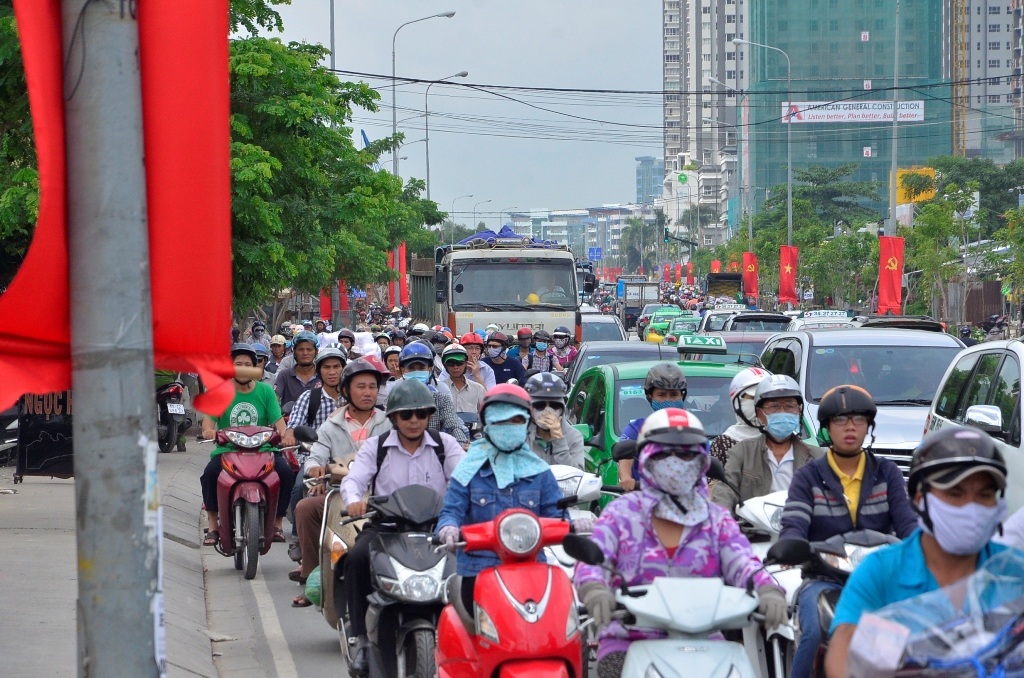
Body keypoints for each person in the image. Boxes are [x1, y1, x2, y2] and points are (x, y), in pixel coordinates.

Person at [574, 409, 787, 676]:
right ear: (646, 457)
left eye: (686, 454)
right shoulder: (621, 513)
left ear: (702, 461)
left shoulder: (716, 520)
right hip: (628, 640)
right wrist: (594, 587)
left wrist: (767, 589)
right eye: (664, 453)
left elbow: (744, 562)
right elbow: (595, 557)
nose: (676, 462)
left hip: (705, 641)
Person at [824, 426, 1012, 677]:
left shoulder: (1014, 572)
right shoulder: (882, 572)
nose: (971, 508)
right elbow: (844, 654)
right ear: (921, 499)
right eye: (955, 493)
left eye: (984, 495)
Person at [780, 384, 918, 678]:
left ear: (869, 425)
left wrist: (923, 545)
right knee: (816, 629)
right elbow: (795, 520)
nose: (850, 427)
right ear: (828, 427)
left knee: (914, 631)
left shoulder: (888, 472)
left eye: (858, 419)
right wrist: (791, 542)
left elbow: (907, 521)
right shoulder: (809, 476)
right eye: (840, 420)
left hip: (880, 577)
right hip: (824, 577)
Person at [341, 380, 465, 674]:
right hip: (386, 529)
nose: (414, 421)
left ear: (428, 416)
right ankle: (360, 639)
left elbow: (464, 481)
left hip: (437, 531)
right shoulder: (377, 446)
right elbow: (353, 479)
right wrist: (354, 500)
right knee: (355, 559)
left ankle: (473, 637)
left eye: (421, 414)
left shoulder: (445, 445)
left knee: (473, 565)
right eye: (406, 415)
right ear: (394, 417)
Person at [435, 384, 564, 636]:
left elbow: (557, 515)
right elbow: (451, 510)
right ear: (486, 424)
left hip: (532, 572)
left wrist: (574, 524)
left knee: (557, 627)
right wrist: (448, 527)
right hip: (478, 573)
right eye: (500, 421)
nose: (509, 426)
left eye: (516, 420)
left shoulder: (540, 472)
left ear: (528, 423)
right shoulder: (467, 471)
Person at [288, 358, 391, 607]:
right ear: (346, 390)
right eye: (361, 386)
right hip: (340, 496)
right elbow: (316, 455)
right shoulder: (331, 425)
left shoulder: (389, 422)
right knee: (305, 508)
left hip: (382, 497)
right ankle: (312, 575)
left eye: (372, 387)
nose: (368, 393)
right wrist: (316, 470)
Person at [199, 344, 293, 546]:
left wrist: (284, 435)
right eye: (238, 364)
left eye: (247, 364)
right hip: (228, 450)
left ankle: (277, 524)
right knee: (209, 475)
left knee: (285, 472)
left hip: (264, 449)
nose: (242, 368)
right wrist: (209, 430)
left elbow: (279, 422)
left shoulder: (266, 391)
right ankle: (214, 526)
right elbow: (208, 421)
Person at [711, 375, 823, 509]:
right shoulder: (742, 452)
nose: (782, 412)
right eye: (774, 407)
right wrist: (722, 519)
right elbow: (725, 490)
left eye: (789, 406)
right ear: (759, 414)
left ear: (799, 411)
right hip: (752, 528)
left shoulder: (815, 455)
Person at [379, 342, 470, 445]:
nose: (416, 372)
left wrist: (460, 445)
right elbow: (386, 428)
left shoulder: (441, 399)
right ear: (403, 370)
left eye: (421, 368)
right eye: (411, 368)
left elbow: (454, 425)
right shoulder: (393, 399)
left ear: (430, 369)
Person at [616, 363, 688, 491]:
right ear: (650, 397)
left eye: (674, 395)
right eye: (661, 395)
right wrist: (626, 478)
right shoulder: (636, 429)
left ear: (682, 396)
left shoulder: (693, 430)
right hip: (643, 500)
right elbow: (625, 459)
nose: (668, 400)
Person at [708, 367, 769, 465]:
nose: (759, 404)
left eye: (765, 399)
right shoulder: (724, 443)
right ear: (736, 402)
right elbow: (715, 479)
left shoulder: (783, 438)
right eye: (753, 398)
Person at [523, 371, 584, 469]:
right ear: (530, 408)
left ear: (562, 408)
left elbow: (578, 476)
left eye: (554, 405)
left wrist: (559, 440)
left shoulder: (574, 437)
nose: (547, 411)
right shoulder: (520, 435)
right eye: (540, 405)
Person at [274, 330, 320, 407]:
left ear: (316, 351)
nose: (305, 353)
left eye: (309, 349)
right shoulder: (285, 375)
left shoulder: (322, 375)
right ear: (294, 351)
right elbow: (274, 401)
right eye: (301, 349)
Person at [439, 343, 486, 415]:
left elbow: (486, 414)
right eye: (451, 363)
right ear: (445, 366)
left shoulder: (479, 389)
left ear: (465, 364)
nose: (455, 367)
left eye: (459, 363)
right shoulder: (439, 389)